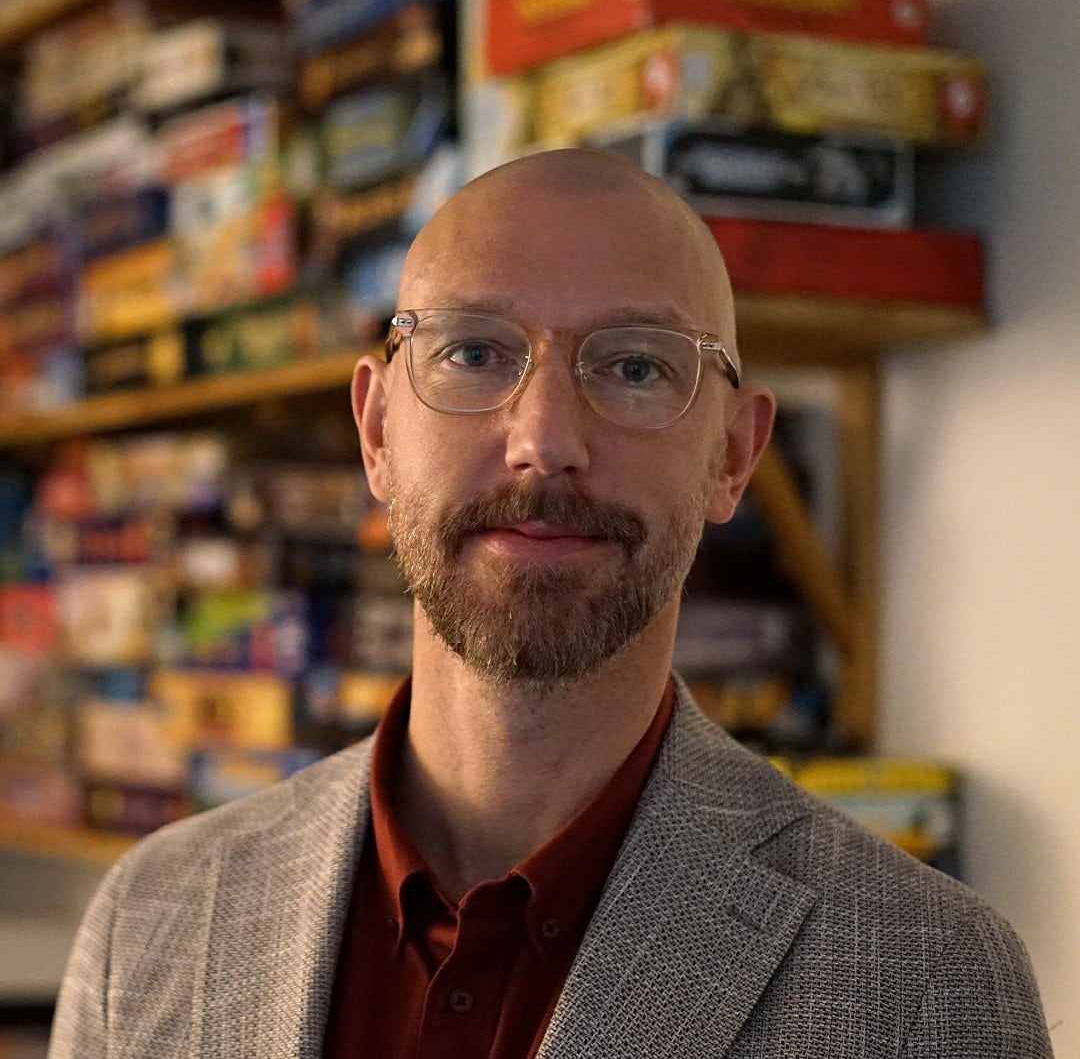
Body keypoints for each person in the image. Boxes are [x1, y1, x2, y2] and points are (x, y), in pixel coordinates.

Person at [49, 149, 1052, 1058]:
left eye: (634, 367)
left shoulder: (930, 986)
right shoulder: (148, 923)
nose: (544, 438)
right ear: (377, 430)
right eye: (475, 352)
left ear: (734, 456)